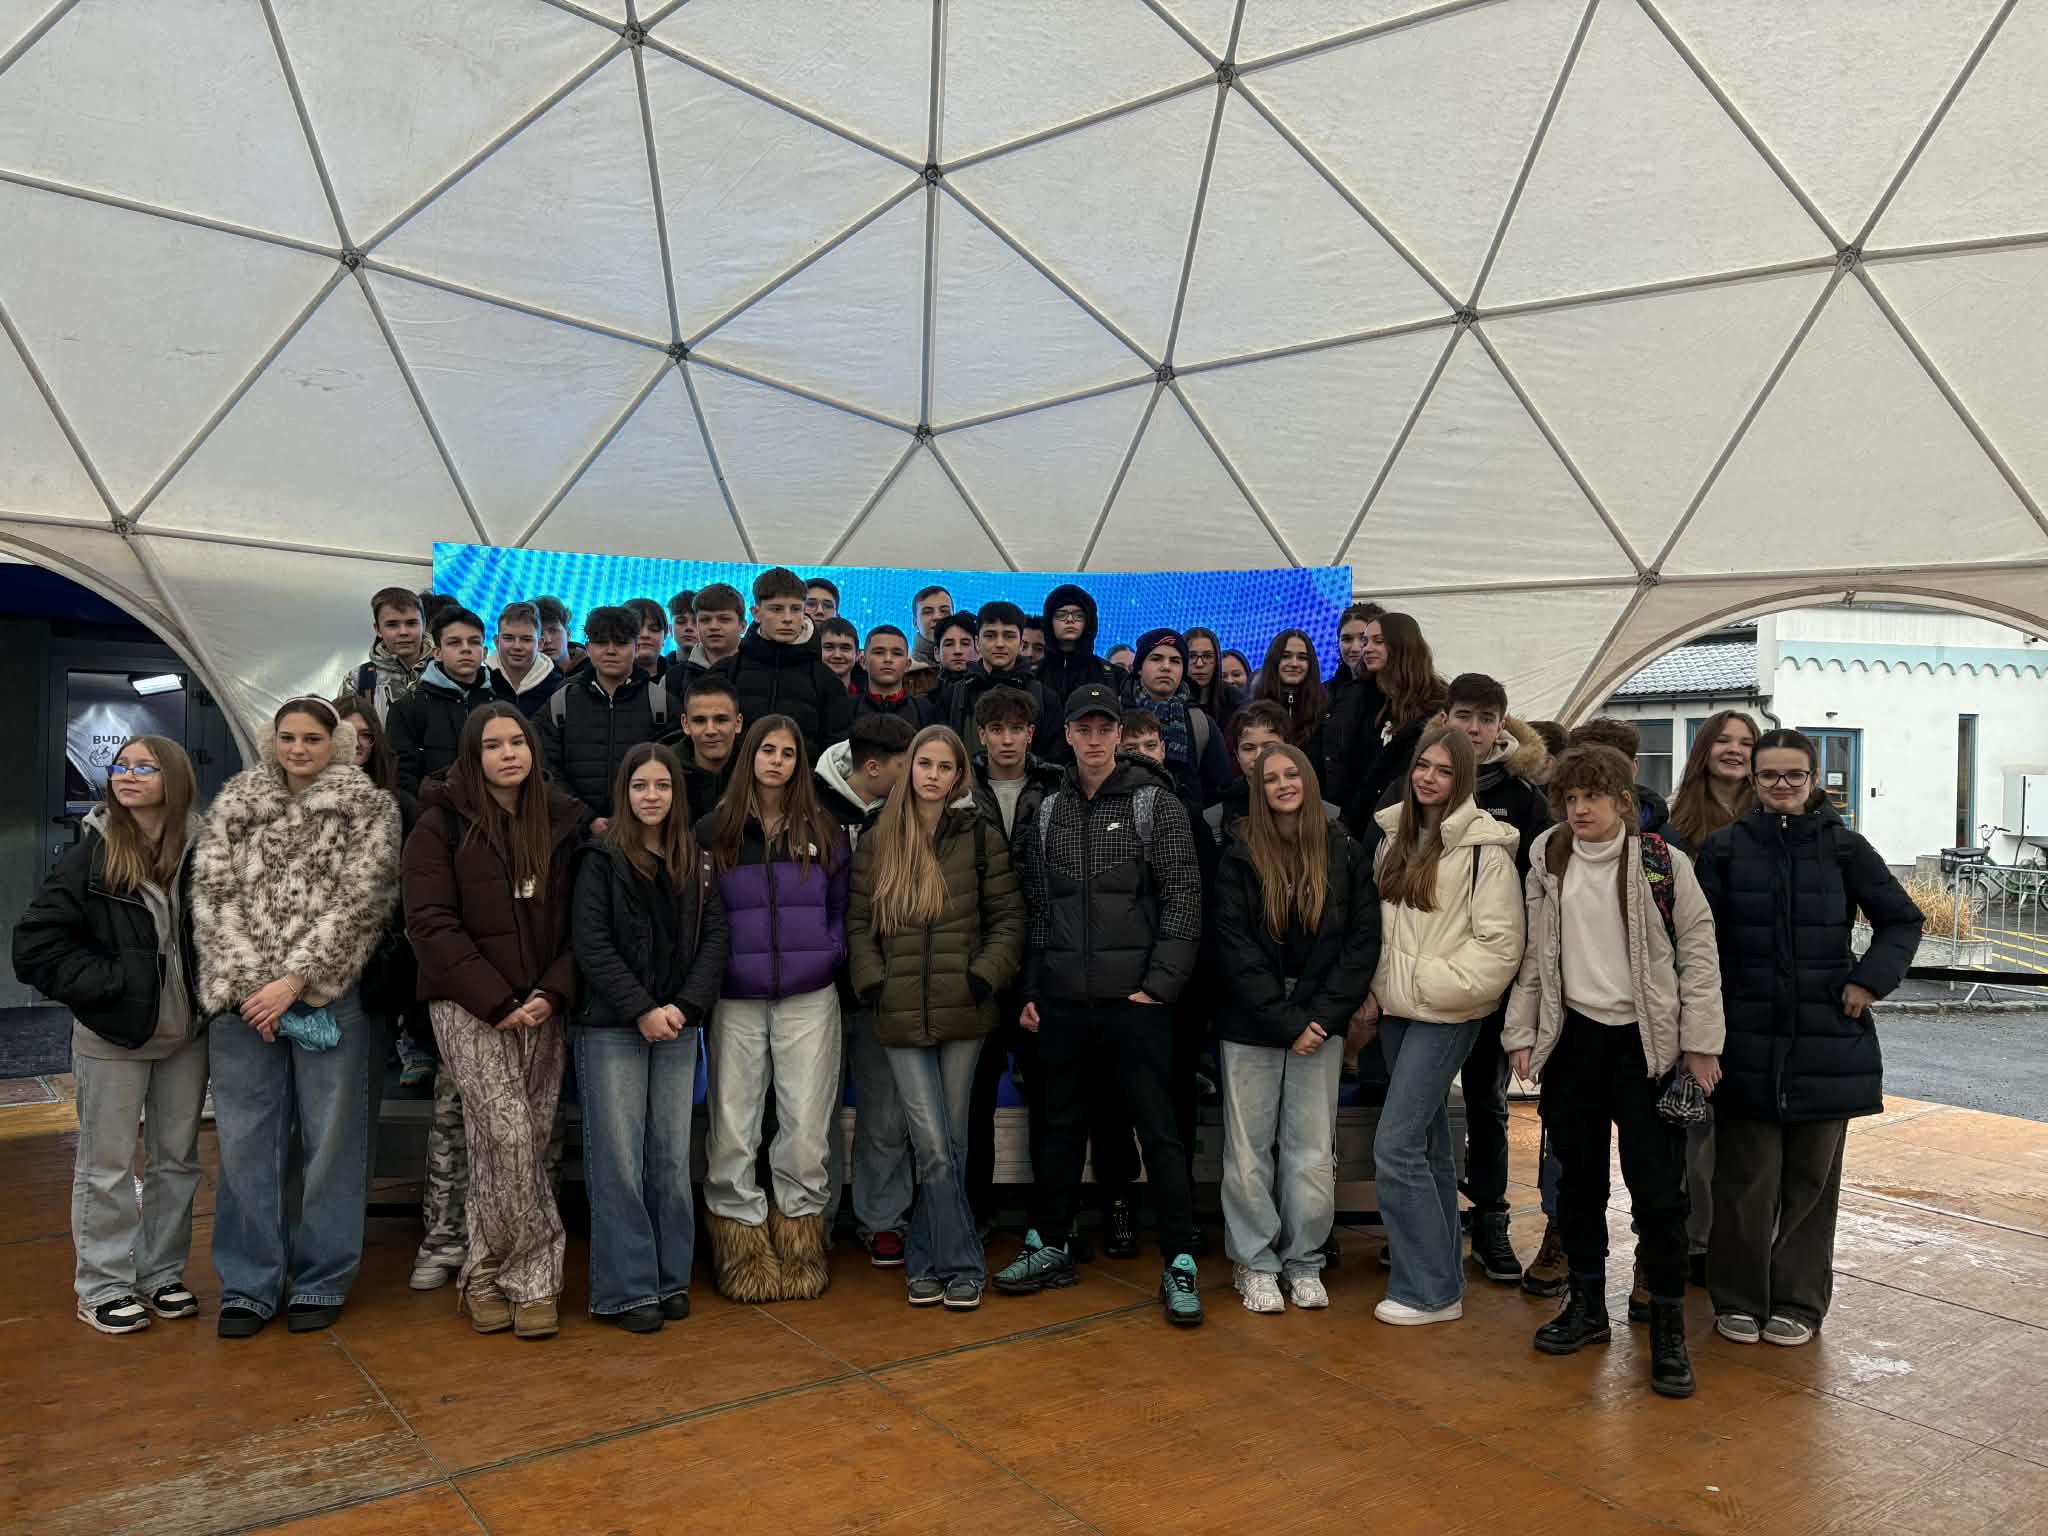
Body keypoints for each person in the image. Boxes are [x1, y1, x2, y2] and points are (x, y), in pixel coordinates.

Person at [1503, 745, 1725, 1398]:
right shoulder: (1548, 856)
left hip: (1646, 1047)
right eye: (1570, 799)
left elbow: (1699, 952)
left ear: (1622, 800)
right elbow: (1535, 954)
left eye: (1592, 797)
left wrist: (1701, 1044)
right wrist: (1522, 1032)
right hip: (1574, 1042)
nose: (1580, 810)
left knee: (1658, 1193)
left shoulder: (1662, 863)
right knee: (1577, 1186)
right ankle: (1587, 1308)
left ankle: (1668, 1329)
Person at [1695, 729, 1922, 1348]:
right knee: (1744, 1180)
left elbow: (1902, 920)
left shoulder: (1846, 848)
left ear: (1814, 780)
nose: (1782, 785)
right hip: (1745, 1039)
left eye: (1794, 775)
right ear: (1753, 780)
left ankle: (1798, 1301)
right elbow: (1698, 941)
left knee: (1811, 1185)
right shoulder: (1724, 849)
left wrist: (1868, 982)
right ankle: (1738, 1298)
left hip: (1828, 1042)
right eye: (1770, 774)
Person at [998, 684, 1207, 1327]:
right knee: (1059, 1129)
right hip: (1064, 1003)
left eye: (1104, 728)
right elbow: (1038, 911)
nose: (1093, 739)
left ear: (1119, 734)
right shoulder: (1050, 812)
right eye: (1082, 729)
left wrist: (1160, 987)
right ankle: (1049, 1243)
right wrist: (1032, 991)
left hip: (1137, 1005)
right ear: (1066, 735)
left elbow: (1183, 898)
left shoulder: (1154, 803)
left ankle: (1179, 1260)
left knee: (1160, 1134)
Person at [192, 698, 401, 1338]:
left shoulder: (370, 808)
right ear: (271, 740)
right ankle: (249, 1283)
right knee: (245, 1145)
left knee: (332, 1144)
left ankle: (322, 1277)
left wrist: (294, 981)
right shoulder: (235, 803)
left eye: (312, 737)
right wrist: (254, 986)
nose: (299, 748)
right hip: (244, 1003)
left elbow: (363, 902)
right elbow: (212, 895)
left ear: (336, 742)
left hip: (326, 997)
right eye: (288, 737)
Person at [12, 737, 208, 1335]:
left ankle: (161, 1274)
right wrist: (111, 985)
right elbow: (35, 944)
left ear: (173, 778)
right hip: (114, 1037)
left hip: (186, 1035)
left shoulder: (203, 848)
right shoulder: (93, 852)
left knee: (177, 1162)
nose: (127, 775)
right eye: (120, 766)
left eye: (144, 767)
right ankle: (102, 1285)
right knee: (107, 1164)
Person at [403, 705, 584, 1340]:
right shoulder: (438, 825)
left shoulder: (561, 820)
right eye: (492, 745)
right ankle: (533, 1277)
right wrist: (495, 999)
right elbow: (429, 923)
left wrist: (553, 991)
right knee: (507, 1134)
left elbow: (581, 923)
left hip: (543, 1006)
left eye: (517, 742)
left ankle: (482, 1271)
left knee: (518, 1141)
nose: (508, 754)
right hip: (467, 1005)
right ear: (471, 755)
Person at [849, 725, 1025, 1310]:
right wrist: (875, 984)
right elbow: (859, 925)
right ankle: (963, 1264)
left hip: (965, 1013)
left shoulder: (980, 837)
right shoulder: (878, 837)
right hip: (899, 1014)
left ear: (957, 777)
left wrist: (981, 977)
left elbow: (1008, 920)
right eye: (924, 763)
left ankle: (927, 1262)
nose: (932, 775)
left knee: (952, 1144)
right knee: (931, 1145)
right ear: (909, 769)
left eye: (944, 767)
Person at [1211, 743, 1378, 1315]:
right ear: (1257, 790)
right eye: (1270, 778)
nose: (1283, 785)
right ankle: (1254, 1261)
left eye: (1292, 774)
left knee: (1310, 1151)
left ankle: (1304, 1259)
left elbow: (1361, 943)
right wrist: (1287, 1023)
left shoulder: (1344, 849)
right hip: (1250, 1019)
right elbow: (1233, 949)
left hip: (1319, 1021)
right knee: (1248, 1150)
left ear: (1308, 779)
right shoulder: (1236, 851)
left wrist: (1323, 1019)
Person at [1365, 726, 1522, 1327]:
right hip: (1396, 1010)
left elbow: (1500, 947)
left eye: (1444, 770)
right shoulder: (1392, 837)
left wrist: (1430, 984)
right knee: (1427, 1147)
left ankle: (1424, 1290)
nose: (1429, 778)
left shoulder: (1486, 850)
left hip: (1444, 1012)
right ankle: (1442, 1284)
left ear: (1464, 779)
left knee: (1395, 1144)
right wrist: (1384, 987)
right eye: (1423, 766)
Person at [571, 743, 730, 1332]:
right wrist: (641, 1008)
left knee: (669, 1156)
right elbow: (591, 944)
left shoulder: (698, 860)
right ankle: (626, 1290)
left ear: (676, 794)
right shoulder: (599, 859)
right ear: (624, 793)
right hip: (613, 1027)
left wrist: (684, 1007)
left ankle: (669, 1278)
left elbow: (715, 939)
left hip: (678, 1026)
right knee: (618, 1159)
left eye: (662, 785)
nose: (652, 795)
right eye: (640, 786)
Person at [699, 717, 852, 1302]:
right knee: (733, 1127)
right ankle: (740, 1251)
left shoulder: (824, 828)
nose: (777, 761)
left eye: (788, 753)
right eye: (767, 750)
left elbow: (841, 905)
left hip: (809, 996)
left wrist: (830, 951)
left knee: (806, 1127)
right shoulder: (716, 829)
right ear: (750, 756)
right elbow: (700, 909)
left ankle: (800, 1245)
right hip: (735, 996)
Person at [1431, 674, 1553, 1286]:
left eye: (1485, 718)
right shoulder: (1419, 783)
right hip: (1425, 976)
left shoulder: (1524, 798)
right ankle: (1426, 1225)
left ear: (1502, 725)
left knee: (1487, 1103)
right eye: (1464, 715)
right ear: (1445, 719)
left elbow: (1538, 890)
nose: (1474, 728)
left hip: (1494, 981)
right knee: (1423, 1106)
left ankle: (1490, 1221)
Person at [813, 713, 917, 1267]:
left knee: (887, 1112)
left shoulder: (912, 809)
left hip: (886, 983)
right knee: (814, 1113)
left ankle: (884, 1219)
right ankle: (816, 1218)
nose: (915, 775)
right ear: (873, 768)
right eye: (904, 766)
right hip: (820, 985)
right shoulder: (811, 806)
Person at [965, 686, 1064, 1226]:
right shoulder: (957, 786)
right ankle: (974, 1214)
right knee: (974, 1100)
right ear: (981, 734)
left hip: (1042, 963)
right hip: (977, 965)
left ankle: (1052, 1220)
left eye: (1016, 729)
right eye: (996, 729)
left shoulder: (1058, 785)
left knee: (1051, 1100)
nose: (1007, 739)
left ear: (1031, 733)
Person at [538, 605, 671, 824]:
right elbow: (546, 768)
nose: (610, 651)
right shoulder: (561, 701)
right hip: (575, 833)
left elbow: (673, 772)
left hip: (644, 828)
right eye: (601, 642)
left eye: (620, 642)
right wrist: (585, 819)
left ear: (636, 646)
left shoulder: (661, 703)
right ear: (588, 648)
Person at [713, 567, 854, 760]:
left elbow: (836, 752)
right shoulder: (725, 672)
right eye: (776, 609)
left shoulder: (827, 681)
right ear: (756, 613)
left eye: (795, 609)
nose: (787, 619)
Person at [1345, 611, 1447, 835]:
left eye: (1378, 641)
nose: (1366, 648)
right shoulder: (1364, 698)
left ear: (1402, 645)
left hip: (1411, 827)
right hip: (1364, 828)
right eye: (1366, 641)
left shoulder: (1437, 704)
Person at [387, 605, 496, 797]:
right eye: (454, 643)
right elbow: (403, 780)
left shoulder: (499, 702)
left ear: (485, 652)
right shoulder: (408, 708)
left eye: (474, 642)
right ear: (437, 653)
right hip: (433, 812)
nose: (465, 649)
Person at [935, 600, 1059, 760]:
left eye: (1008, 636)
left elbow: (1052, 762)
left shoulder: (1045, 698)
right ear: (977, 643)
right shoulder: (953, 696)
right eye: (990, 635)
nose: (1000, 644)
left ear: (1021, 644)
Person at [1120, 628, 1229, 807]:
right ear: (1138, 667)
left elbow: (1220, 791)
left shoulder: (1200, 723)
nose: (1166, 667)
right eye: (1156, 659)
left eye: (1175, 661)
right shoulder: (1114, 716)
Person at [1203, 702, 1342, 842]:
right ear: (1237, 755)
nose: (1259, 756)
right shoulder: (1216, 818)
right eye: (1249, 748)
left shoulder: (1328, 815)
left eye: (1269, 747)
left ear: (1290, 748)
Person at [1666, 711, 1760, 857]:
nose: (1734, 750)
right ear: (1702, 749)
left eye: (1747, 744)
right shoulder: (1671, 815)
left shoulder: (1769, 812)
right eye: (1722, 740)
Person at [1323, 603, 1385, 813]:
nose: (1356, 647)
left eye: (1364, 639)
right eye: (1347, 639)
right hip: (1330, 809)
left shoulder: (1390, 694)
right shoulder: (1325, 691)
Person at [340, 586, 429, 722]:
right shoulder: (357, 680)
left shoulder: (445, 672)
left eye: (411, 623)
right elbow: (345, 732)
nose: (403, 632)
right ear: (378, 629)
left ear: (424, 625)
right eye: (392, 625)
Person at [1570, 718, 1670, 838]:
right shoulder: (1552, 841)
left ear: (1634, 767)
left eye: (1614, 769)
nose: (1601, 778)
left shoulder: (1668, 843)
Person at [663, 672, 744, 820]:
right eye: (700, 721)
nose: (710, 730)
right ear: (685, 724)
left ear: (738, 723)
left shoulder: (756, 774)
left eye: (721, 720)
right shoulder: (663, 773)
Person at [1035, 583, 1118, 716]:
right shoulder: (1035, 673)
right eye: (1061, 615)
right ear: (1049, 622)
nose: (1069, 620)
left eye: (1078, 615)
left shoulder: (1109, 674)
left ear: (1088, 621)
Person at [1251, 629, 1329, 769]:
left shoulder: (1325, 705)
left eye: (1302, 658)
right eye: (1285, 656)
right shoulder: (1254, 708)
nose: (1294, 663)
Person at [489, 601, 564, 718]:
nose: (517, 646)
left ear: (540, 644)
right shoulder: (481, 682)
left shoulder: (558, 687)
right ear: (496, 641)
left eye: (526, 639)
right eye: (508, 638)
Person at [854, 625, 930, 726]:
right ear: (863, 662)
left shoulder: (924, 710)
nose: (888, 659)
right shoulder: (848, 708)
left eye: (897, 654)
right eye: (879, 652)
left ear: (907, 665)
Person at [1184, 626, 1243, 734]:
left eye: (1207, 656)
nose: (1199, 664)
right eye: (1192, 656)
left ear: (1217, 660)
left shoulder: (1236, 702)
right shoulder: (1171, 700)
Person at [683, 584, 745, 681]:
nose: (713, 627)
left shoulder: (765, 672)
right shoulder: (673, 678)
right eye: (705, 619)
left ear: (743, 627)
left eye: (724, 619)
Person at [533, 596, 583, 676]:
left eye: (553, 630)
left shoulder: (595, 669)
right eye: (539, 633)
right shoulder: (523, 677)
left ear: (568, 634)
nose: (547, 640)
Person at [624, 597, 673, 680]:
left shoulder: (682, 679)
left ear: (665, 636)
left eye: (654, 629)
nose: (645, 634)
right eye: (636, 629)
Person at [911, 585, 954, 669]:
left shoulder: (972, 664)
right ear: (915, 623)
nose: (937, 617)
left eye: (944, 611)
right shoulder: (904, 670)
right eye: (928, 612)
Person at [818, 617, 861, 690]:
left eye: (845, 648)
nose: (837, 655)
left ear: (857, 654)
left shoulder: (869, 696)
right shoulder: (801, 695)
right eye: (829, 647)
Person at [935, 610, 979, 677]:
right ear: (937, 653)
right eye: (949, 644)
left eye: (965, 644)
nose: (958, 651)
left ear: (977, 649)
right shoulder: (925, 682)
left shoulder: (992, 683)